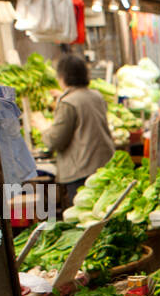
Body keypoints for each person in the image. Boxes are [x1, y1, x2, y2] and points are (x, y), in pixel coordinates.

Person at [44, 54, 113, 210]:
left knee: (84, 216)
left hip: (81, 170)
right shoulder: (96, 95)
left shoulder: (69, 102)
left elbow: (55, 140)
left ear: (62, 77)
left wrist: (43, 128)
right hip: (104, 165)